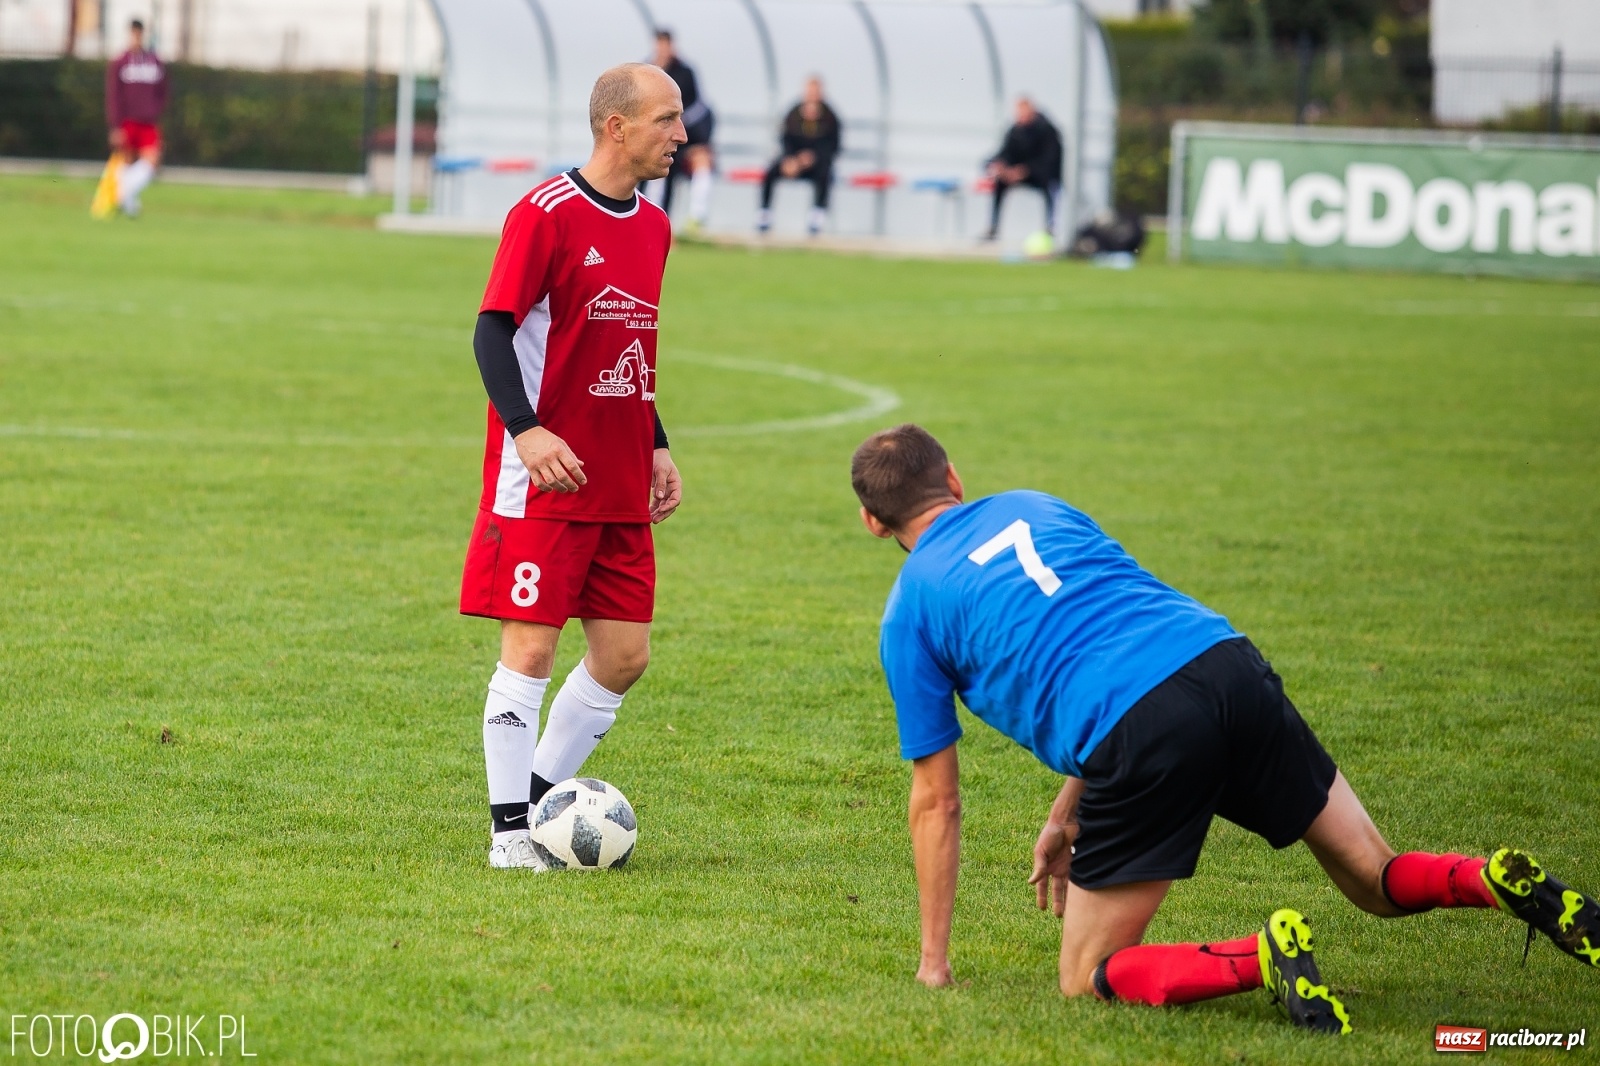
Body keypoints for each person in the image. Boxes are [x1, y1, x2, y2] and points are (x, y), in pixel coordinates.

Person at [851, 423, 1599, 1032]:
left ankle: (1259, 957)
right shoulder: (1035, 506)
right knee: (1374, 877)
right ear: (953, 479)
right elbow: (1114, 635)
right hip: (1225, 664)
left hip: (1144, 728)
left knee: (1084, 982)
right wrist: (1065, 813)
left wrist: (933, 962)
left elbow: (936, 802)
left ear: (873, 522)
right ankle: (1488, 877)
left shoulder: (910, 610)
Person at [462, 63, 686, 871]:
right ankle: (508, 837)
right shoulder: (544, 215)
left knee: (625, 657)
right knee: (529, 651)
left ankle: (541, 804)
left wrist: (656, 440)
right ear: (616, 126)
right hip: (546, 478)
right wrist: (526, 432)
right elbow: (491, 333)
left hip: (620, 477)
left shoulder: (655, 227)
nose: (681, 135)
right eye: (666, 119)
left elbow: (626, 346)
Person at [648, 30, 715, 231]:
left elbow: (697, 109)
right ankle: (652, 219)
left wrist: (677, 124)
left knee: (702, 161)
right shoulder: (645, 71)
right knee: (652, 165)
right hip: (656, 140)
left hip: (685, 140)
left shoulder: (686, 73)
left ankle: (695, 220)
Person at [757, 77, 840, 237]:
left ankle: (816, 219)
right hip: (793, 162)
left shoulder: (830, 117)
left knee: (825, 175)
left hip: (817, 164)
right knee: (771, 171)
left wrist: (813, 158)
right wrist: (791, 159)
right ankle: (764, 215)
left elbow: (834, 146)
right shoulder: (794, 113)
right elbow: (784, 138)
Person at [105, 18, 167, 218]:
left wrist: (156, 110)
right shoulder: (120, 63)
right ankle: (129, 205)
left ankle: (123, 194)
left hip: (148, 121)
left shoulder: (155, 62)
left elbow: (163, 91)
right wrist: (115, 125)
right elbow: (113, 95)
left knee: (152, 161)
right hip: (128, 121)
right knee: (127, 162)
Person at [984, 97, 1061, 241]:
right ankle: (993, 227)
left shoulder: (1046, 130)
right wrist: (1000, 165)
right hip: (1017, 174)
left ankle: (1050, 226)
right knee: (999, 184)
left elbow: (1049, 160)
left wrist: (1025, 170)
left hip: (1039, 175)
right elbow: (1006, 152)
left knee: (1048, 187)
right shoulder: (1015, 130)